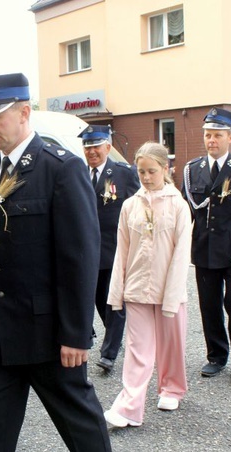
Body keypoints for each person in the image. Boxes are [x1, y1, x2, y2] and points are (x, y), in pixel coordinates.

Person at [0, 73, 118, 452]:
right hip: (0, 333)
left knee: (80, 426)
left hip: (50, 335)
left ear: (23, 112)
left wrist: (75, 333)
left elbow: (79, 257)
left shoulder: (60, 168)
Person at [104, 142, 191, 427]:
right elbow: (122, 251)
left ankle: (172, 387)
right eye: (141, 171)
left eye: (152, 171)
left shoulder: (178, 205)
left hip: (169, 289)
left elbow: (181, 255)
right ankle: (129, 407)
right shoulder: (130, 205)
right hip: (137, 288)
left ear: (165, 170)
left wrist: (173, 296)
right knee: (137, 349)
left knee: (171, 344)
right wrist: (117, 292)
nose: (146, 177)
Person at [182, 108, 231, 386]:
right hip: (204, 251)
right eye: (207, 135)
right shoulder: (193, 170)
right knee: (209, 306)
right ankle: (216, 356)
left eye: (217, 135)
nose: (211, 140)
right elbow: (186, 213)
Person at [78, 124, 140, 373]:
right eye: (87, 146)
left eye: (96, 146)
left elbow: (137, 209)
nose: (91, 151)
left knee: (114, 302)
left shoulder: (124, 174)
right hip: (86, 252)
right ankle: (114, 340)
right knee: (95, 299)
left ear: (108, 146)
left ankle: (109, 353)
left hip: (114, 250)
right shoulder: (79, 173)